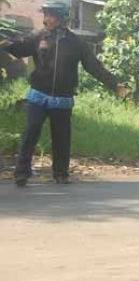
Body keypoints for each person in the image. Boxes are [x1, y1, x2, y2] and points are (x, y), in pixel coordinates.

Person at [1, 1, 128, 187]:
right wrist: (6, 45)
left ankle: (61, 173)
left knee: (61, 137)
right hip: (38, 95)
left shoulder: (77, 43)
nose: (47, 19)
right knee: (31, 132)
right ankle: (22, 173)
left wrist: (115, 84)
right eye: (46, 15)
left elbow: (94, 67)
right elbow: (20, 48)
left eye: (51, 15)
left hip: (62, 100)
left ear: (62, 18)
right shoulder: (38, 37)